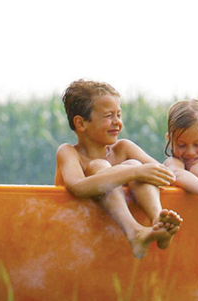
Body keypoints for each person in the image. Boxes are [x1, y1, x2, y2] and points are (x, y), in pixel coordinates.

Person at [55, 79, 182, 259]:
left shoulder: (124, 148)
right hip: (74, 233)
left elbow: (163, 174)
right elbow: (77, 186)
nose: (117, 122)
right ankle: (134, 231)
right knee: (103, 166)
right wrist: (133, 173)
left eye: (119, 115)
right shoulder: (69, 152)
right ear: (81, 123)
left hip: (112, 239)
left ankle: (158, 223)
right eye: (109, 116)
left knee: (135, 164)